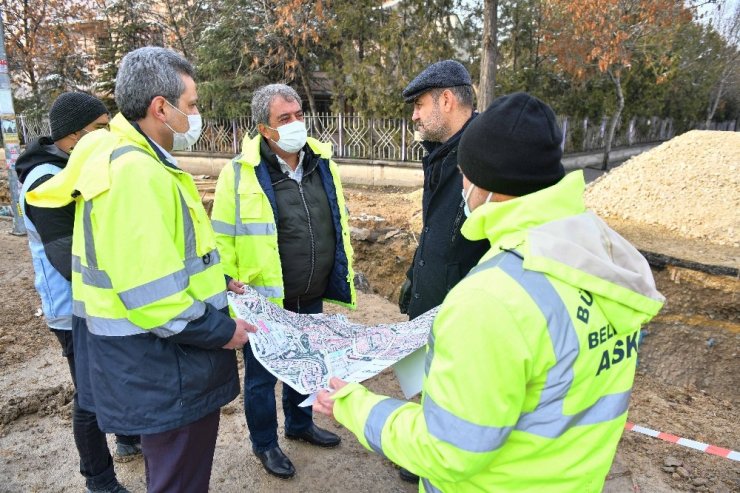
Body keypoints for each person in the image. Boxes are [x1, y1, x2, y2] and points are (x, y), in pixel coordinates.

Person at [314, 92, 665, 492]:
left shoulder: (491, 300)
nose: (462, 183)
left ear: (484, 182)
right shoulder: (603, 262)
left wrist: (356, 406)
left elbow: (447, 451)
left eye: (464, 171)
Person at [27, 47, 254, 493]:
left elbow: (160, 259)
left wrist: (217, 281)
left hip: (157, 365)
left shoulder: (135, 161)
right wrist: (223, 331)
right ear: (160, 108)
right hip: (165, 368)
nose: (196, 115)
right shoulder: (135, 173)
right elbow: (153, 296)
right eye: (191, 104)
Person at [211, 83, 355, 479]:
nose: (296, 124)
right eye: (284, 119)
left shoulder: (321, 163)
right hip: (264, 298)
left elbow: (336, 221)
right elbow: (221, 235)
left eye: (298, 115)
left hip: (311, 287)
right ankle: (265, 443)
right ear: (265, 129)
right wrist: (226, 279)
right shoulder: (239, 174)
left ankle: (300, 423)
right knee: (262, 375)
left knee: (305, 362)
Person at [17, 92, 140, 493]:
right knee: (89, 395)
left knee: (117, 380)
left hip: (98, 301)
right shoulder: (46, 180)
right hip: (74, 310)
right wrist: (125, 290)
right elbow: (65, 258)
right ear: (72, 136)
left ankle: (126, 438)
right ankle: (99, 479)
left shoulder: (78, 165)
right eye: (100, 129)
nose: (108, 135)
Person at [396, 59, 489, 483]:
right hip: (433, 297)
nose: (414, 115)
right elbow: (437, 229)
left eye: (419, 104)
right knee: (428, 384)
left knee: (457, 393)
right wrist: (417, 279)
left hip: (465, 309)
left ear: (446, 100)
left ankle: (439, 464)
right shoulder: (440, 155)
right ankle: (423, 451)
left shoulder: (486, 154)